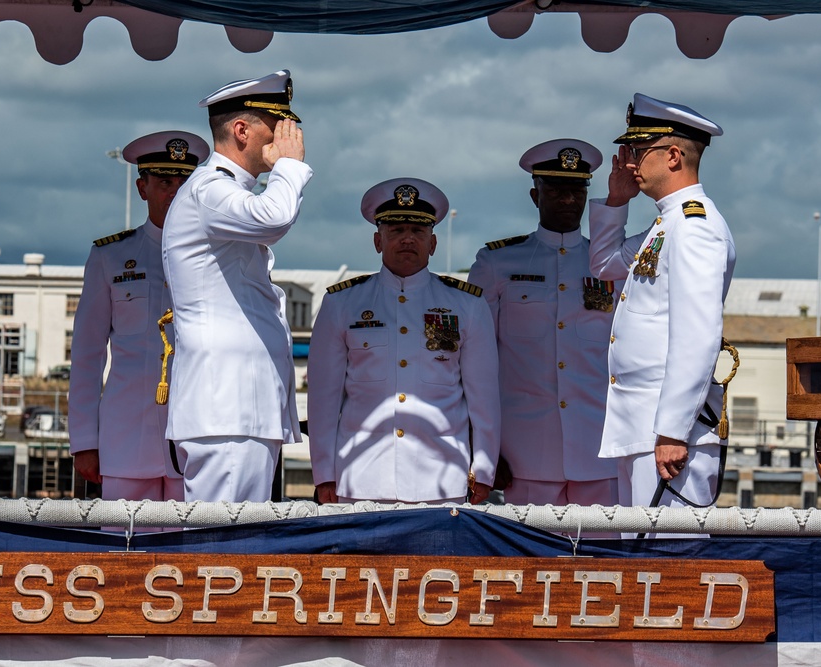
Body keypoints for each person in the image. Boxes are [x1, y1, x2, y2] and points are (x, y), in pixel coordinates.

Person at [161, 69, 312, 503]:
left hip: (239, 409)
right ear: (242, 130)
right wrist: (290, 167)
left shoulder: (226, 193)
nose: (290, 134)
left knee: (236, 554)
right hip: (225, 409)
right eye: (278, 124)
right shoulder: (210, 190)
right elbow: (274, 218)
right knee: (219, 553)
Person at [588, 93, 737, 525]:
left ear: (672, 156)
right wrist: (616, 202)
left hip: (667, 436)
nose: (628, 161)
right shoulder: (666, 224)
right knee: (642, 568)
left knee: (671, 564)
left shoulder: (694, 228)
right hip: (642, 428)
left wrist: (673, 431)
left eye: (637, 150)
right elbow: (604, 264)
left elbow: (697, 335)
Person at [307, 178, 501, 505]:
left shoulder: (467, 305)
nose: (408, 238)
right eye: (396, 230)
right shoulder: (342, 303)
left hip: (442, 480)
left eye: (418, 230)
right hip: (361, 477)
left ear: (434, 242)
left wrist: (482, 471)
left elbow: (484, 398)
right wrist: (324, 472)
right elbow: (323, 399)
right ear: (377, 240)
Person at [467, 139, 618, 507]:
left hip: (600, 448)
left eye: (576, 191)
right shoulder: (497, 263)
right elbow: (473, 362)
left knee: (604, 562)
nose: (568, 200)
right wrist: (483, 447)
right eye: (556, 190)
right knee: (530, 562)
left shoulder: (612, 265)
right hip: (524, 452)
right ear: (536, 196)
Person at [69, 130, 210, 505]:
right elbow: (86, 355)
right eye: (165, 181)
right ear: (142, 188)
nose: (175, 191)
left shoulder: (220, 256)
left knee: (196, 557)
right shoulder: (110, 258)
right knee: (124, 555)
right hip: (126, 437)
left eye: (185, 182)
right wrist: (84, 441)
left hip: (198, 438)